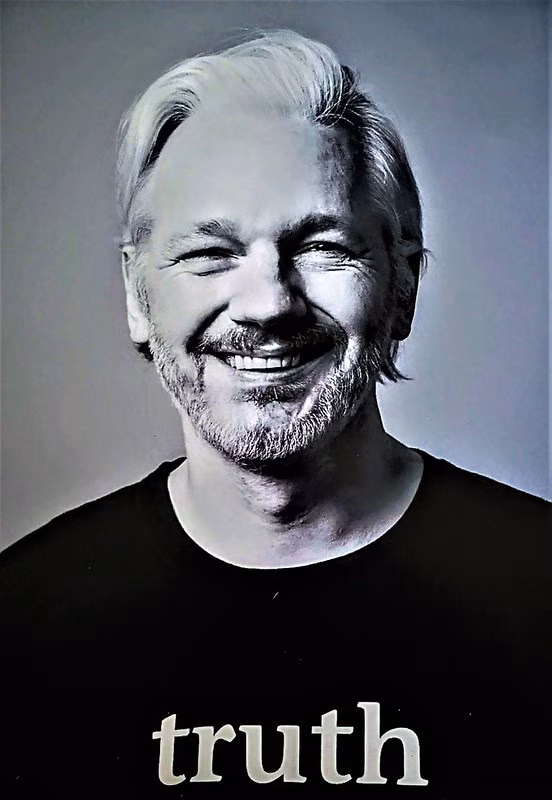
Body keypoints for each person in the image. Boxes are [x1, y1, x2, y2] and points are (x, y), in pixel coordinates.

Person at [1, 30, 549, 799]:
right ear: (136, 293)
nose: (267, 305)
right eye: (208, 254)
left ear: (403, 285)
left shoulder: (538, 594)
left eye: (323, 246)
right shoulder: (23, 624)